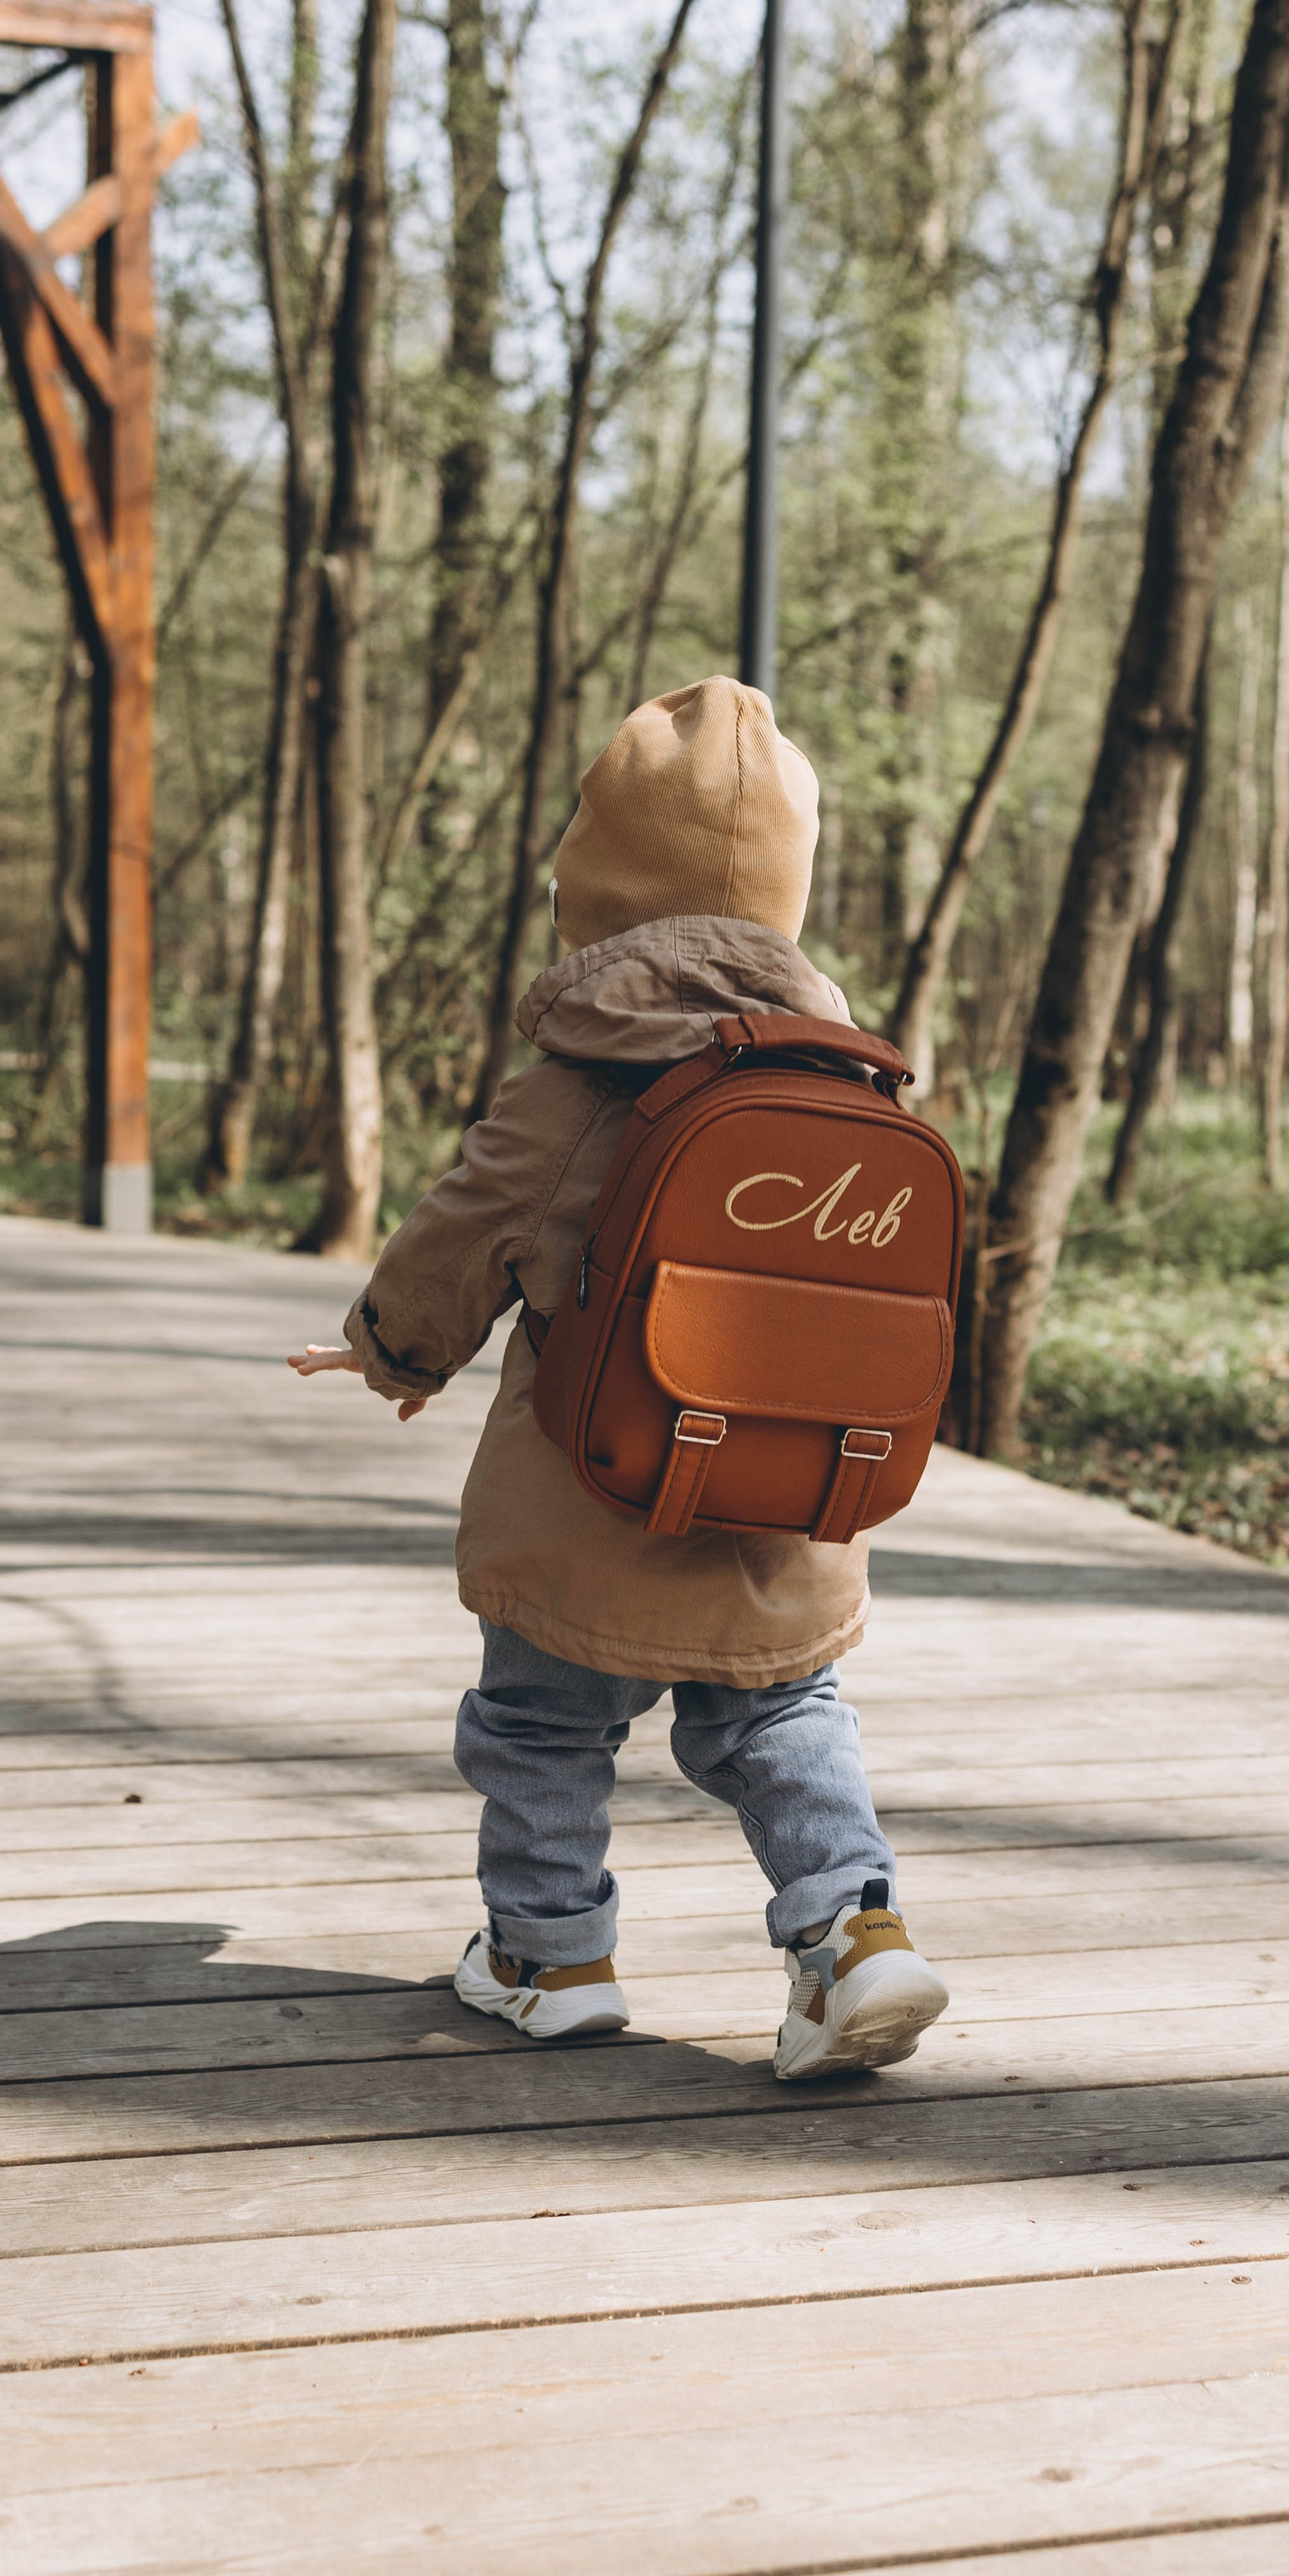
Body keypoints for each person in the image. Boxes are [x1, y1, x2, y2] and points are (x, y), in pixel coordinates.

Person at [290, 675, 950, 2083]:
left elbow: (463, 1231)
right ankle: (855, 1934)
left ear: (588, 889)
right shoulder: (856, 1081)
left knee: (535, 1723)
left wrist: (391, 1351)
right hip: (787, 1499)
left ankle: (552, 1956)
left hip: (590, 1492)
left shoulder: (581, 1080)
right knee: (782, 1715)